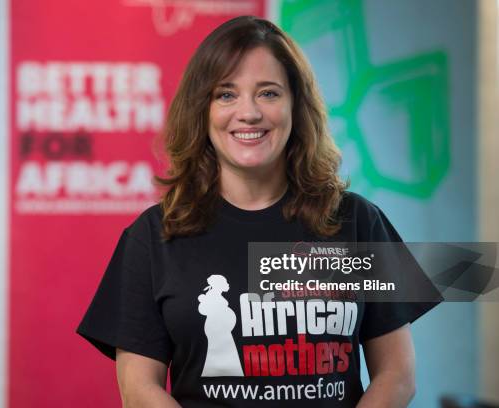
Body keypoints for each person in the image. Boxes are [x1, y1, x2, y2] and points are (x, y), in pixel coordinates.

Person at [77, 15, 438, 407]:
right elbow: (138, 390)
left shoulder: (356, 223)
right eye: (226, 94)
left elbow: (397, 375)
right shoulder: (153, 236)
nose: (248, 113)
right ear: (202, 110)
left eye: (268, 93)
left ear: (295, 106)